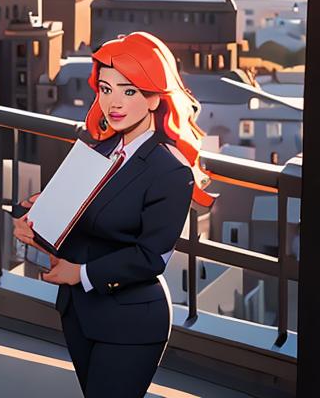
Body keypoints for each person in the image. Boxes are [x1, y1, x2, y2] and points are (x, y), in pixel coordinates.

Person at [13, 31, 212, 398]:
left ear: (154, 97)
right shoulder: (98, 151)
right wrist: (35, 220)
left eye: (129, 90)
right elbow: (84, 228)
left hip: (131, 320)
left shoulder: (171, 170)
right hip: (79, 312)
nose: (113, 103)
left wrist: (81, 273)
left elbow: (151, 257)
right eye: (106, 89)